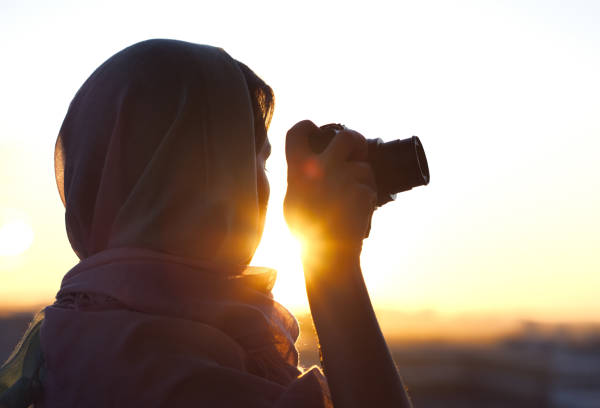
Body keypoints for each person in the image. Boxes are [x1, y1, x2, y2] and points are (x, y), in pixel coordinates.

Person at [0, 39, 411, 407]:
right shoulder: (169, 373)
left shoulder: (76, 338)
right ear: (207, 180)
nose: (267, 189)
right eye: (257, 161)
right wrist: (334, 263)